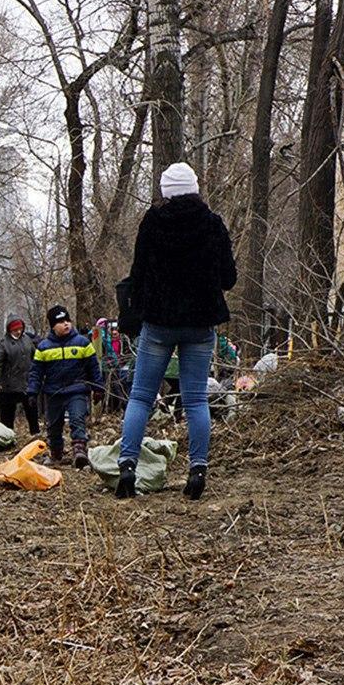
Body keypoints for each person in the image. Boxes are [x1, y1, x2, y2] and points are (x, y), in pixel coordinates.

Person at [115, 162, 237, 501]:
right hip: (200, 324)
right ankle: (197, 470)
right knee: (196, 399)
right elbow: (229, 278)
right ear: (195, 188)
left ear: (165, 191)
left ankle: (126, 466)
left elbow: (137, 274)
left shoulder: (152, 223)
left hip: (158, 324)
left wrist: (138, 310)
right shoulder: (213, 225)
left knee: (140, 396)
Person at [26, 305, 100, 467]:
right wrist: (32, 392)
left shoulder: (83, 343)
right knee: (54, 425)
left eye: (68, 320)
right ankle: (56, 453)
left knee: (77, 419)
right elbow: (36, 372)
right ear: (53, 326)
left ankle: (79, 451)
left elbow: (93, 367)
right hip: (54, 392)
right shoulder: (44, 347)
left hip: (77, 389)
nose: (66, 324)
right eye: (60, 322)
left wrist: (98, 387)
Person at [0, 317, 39, 434]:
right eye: (15, 330)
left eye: (20, 329)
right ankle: (7, 436)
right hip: (9, 384)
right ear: (9, 330)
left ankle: (35, 436)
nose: (18, 332)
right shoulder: (2, 344)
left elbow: (35, 357)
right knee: (7, 415)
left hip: (26, 383)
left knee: (32, 412)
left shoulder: (27, 340)